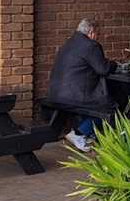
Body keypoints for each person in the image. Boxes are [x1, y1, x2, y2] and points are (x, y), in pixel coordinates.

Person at [48, 19, 117, 152]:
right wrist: (113, 64)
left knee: (98, 104)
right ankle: (79, 134)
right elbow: (103, 69)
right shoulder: (91, 46)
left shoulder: (69, 42)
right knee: (110, 106)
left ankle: (87, 133)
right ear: (91, 32)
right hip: (74, 95)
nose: (98, 37)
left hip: (56, 92)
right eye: (98, 34)